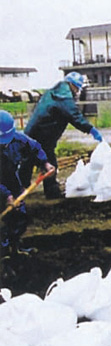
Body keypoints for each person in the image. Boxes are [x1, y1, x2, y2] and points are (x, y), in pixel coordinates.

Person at [20, 71, 103, 199]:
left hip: (34, 132)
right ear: (72, 85)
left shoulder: (52, 92)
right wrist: (91, 129)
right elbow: (74, 116)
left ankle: (19, 189)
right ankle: (51, 191)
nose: (77, 92)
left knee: (28, 160)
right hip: (43, 135)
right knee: (49, 162)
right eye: (77, 88)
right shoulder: (64, 98)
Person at [0, 110, 55, 256]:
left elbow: (35, 148)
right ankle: (2, 249)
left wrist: (45, 163)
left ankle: (15, 247)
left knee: (19, 214)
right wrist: (6, 196)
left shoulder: (18, 139)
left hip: (11, 178)